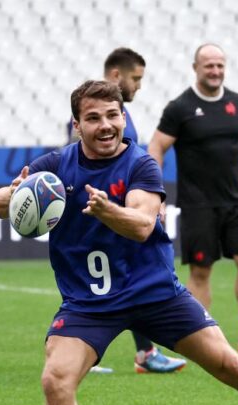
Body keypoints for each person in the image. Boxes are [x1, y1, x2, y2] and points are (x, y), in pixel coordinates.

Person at [0, 79, 238, 405]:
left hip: (154, 293)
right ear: (77, 126)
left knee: (229, 365)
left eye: (113, 115)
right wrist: (12, 196)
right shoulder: (57, 164)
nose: (106, 125)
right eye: (93, 118)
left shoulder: (141, 164)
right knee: (55, 382)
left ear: (124, 117)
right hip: (88, 304)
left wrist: (109, 211)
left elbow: (142, 226)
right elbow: (2, 201)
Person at [147, 43, 238, 355]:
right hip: (197, 204)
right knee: (201, 271)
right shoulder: (179, 107)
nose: (215, 71)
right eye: (209, 66)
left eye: (220, 65)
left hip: (237, 200)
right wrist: (155, 193)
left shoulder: (237, 102)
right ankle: (200, 340)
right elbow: (156, 148)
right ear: (196, 68)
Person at [93, 47, 186, 374]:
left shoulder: (117, 113)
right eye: (136, 78)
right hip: (108, 217)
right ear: (117, 75)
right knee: (109, 282)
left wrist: (148, 200)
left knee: (132, 281)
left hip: (123, 214)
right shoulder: (96, 112)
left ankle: (145, 352)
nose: (139, 86)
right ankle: (87, 350)